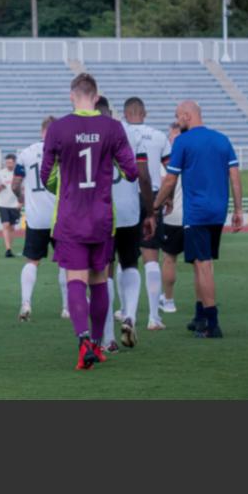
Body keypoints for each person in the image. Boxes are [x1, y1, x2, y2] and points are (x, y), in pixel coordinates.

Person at [41, 75, 153, 370]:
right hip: (102, 218)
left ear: (71, 96)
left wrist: (63, 187)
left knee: (75, 280)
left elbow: (46, 175)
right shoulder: (113, 128)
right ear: (96, 96)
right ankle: (100, 345)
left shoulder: (58, 128)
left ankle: (84, 341)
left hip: (70, 218)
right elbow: (131, 172)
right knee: (100, 280)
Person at [153, 100, 243, 339]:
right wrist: (238, 210)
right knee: (201, 263)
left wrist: (155, 205)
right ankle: (200, 315)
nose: (177, 120)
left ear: (186, 116)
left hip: (197, 213)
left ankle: (212, 323)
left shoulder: (183, 141)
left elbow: (170, 180)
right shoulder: (222, 139)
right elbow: (234, 175)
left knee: (202, 265)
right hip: (218, 212)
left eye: (178, 116)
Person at [95, 97, 154, 350]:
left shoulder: (88, 132)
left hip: (99, 210)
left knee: (104, 272)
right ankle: (129, 314)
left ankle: (108, 338)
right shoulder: (129, 132)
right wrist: (150, 211)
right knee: (130, 263)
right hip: (129, 210)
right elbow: (142, 173)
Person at [11, 116, 68, 321]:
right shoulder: (65, 150)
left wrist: (21, 198)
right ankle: (66, 307)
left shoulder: (26, 153)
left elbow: (15, 184)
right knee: (65, 262)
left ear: (41, 131)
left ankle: (26, 302)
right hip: (61, 216)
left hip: (36, 217)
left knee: (32, 261)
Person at [123, 97, 172, 331]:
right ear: (145, 113)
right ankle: (153, 317)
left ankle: (124, 312)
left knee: (123, 258)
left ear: (124, 114)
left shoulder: (118, 133)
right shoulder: (159, 136)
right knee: (151, 258)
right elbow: (171, 170)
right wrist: (167, 197)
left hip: (124, 197)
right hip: (150, 196)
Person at [158, 122, 184, 314]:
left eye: (172, 136)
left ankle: (168, 301)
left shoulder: (169, 160)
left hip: (172, 216)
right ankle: (205, 304)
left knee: (168, 259)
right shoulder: (194, 156)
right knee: (202, 262)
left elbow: (163, 184)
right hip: (194, 217)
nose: (169, 139)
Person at [0, 154, 21, 257]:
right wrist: (0, 187)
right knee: (6, 225)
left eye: (10, 162)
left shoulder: (19, 174)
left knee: (12, 227)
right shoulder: (0, 173)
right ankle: (7, 249)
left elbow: (23, 189)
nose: (8, 164)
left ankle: (10, 248)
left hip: (15, 205)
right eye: (7, 162)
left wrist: (21, 202)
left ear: (14, 162)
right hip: (3, 204)